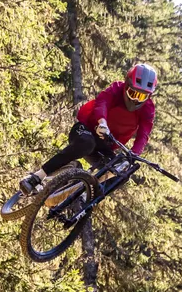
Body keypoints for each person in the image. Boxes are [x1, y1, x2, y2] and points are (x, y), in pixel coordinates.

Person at [19, 63, 158, 196]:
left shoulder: (148, 109)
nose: (136, 100)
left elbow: (143, 134)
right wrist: (102, 123)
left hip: (105, 146)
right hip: (86, 130)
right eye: (133, 93)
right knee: (87, 143)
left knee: (121, 173)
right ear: (126, 84)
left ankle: (83, 196)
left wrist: (133, 155)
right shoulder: (116, 89)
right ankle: (36, 177)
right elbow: (102, 103)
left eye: (142, 96)